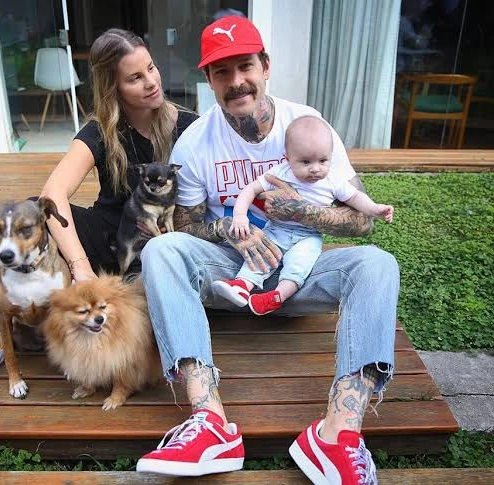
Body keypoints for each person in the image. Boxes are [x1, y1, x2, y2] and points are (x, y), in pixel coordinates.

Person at [135, 16, 398, 484]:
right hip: (233, 277)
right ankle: (209, 422)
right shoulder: (195, 143)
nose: (236, 81)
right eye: (222, 71)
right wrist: (232, 230)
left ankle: (338, 433)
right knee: (162, 250)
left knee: (377, 264)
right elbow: (185, 226)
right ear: (209, 79)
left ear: (266, 67)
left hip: (301, 272)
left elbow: (362, 221)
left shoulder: (309, 125)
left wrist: (299, 210)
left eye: (245, 66)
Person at [0, 28, 198, 382]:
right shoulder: (100, 132)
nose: (151, 82)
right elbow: (53, 191)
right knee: (32, 210)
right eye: (135, 78)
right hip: (108, 239)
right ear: (113, 88)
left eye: (151, 68)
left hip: (158, 245)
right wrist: (80, 267)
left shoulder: (188, 126)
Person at [212, 115, 394, 316]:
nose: (315, 169)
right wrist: (240, 215)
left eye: (323, 160)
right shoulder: (281, 172)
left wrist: (375, 208)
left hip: (308, 236)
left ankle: (276, 297)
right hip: (277, 230)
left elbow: (355, 197)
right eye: (306, 162)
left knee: (299, 265)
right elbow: (250, 189)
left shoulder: (333, 180)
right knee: (260, 256)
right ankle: (242, 286)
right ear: (288, 157)